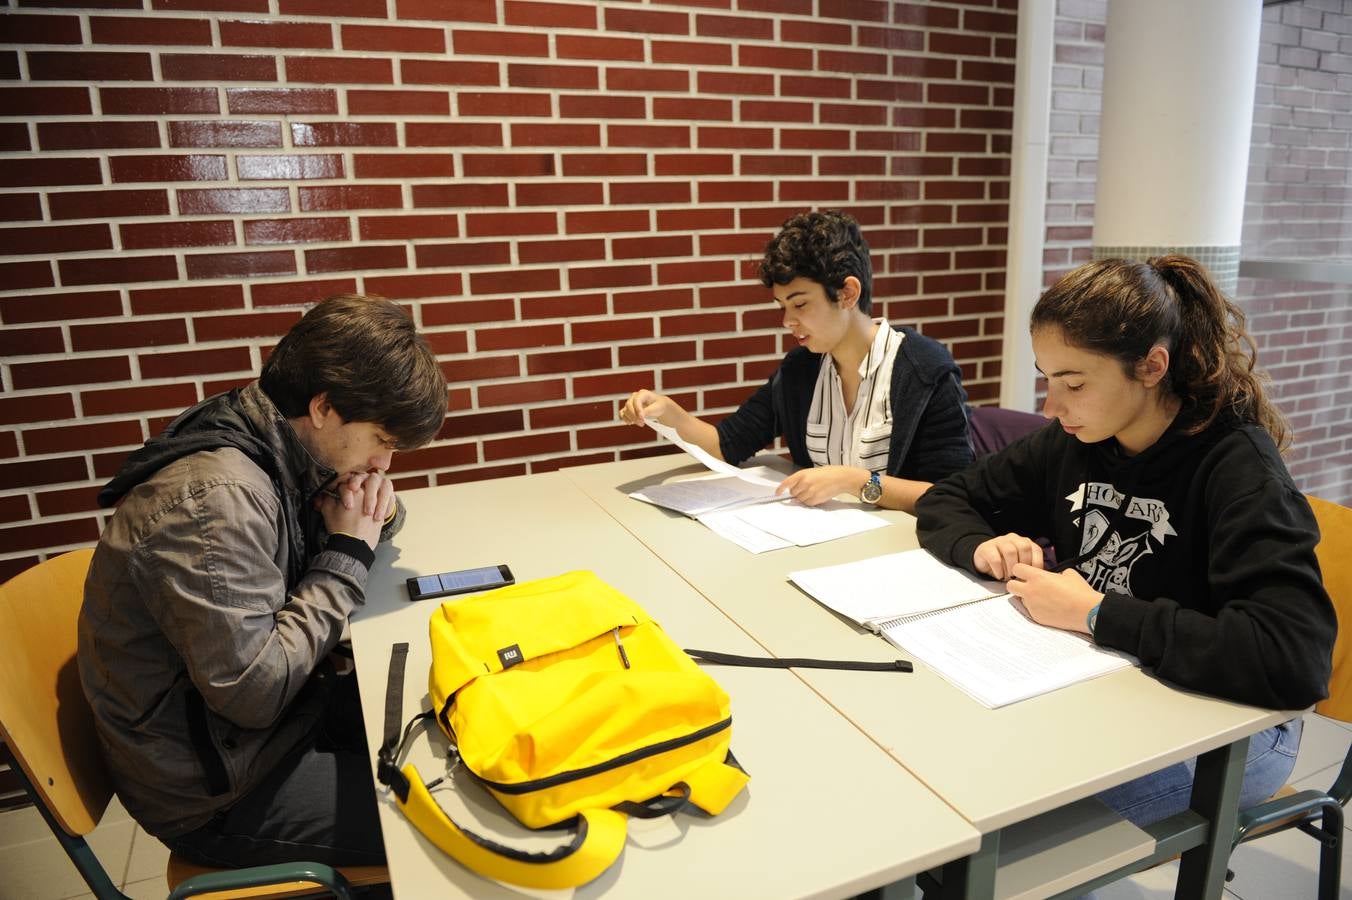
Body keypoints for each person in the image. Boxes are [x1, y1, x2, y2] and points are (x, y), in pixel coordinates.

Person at [915, 255, 1337, 826]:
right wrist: (978, 545)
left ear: (1151, 366)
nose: (1052, 406)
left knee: (1000, 823)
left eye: (1073, 383)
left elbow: (1292, 660)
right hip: (1108, 685)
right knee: (943, 769)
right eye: (1048, 380)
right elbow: (948, 499)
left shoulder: (1237, 467)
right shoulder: (1075, 441)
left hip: (1236, 729)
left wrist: (1096, 613)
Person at [78, 294, 447, 866]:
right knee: (449, 821)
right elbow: (257, 692)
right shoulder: (214, 500)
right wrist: (350, 549)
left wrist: (372, 510)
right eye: (383, 441)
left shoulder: (269, 430)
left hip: (275, 723)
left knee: (453, 727)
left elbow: (329, 523)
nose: (384, 463)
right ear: (325, 406)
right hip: (221, 787)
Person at [619, 210, 973, 512]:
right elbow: (727, 444)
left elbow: (953, 494)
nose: (787, 321)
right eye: (782, 306)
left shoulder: (924, 369)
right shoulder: (801, 369)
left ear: (848, 293)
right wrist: (667, 412)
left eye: (800, 304)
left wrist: (855, 481)